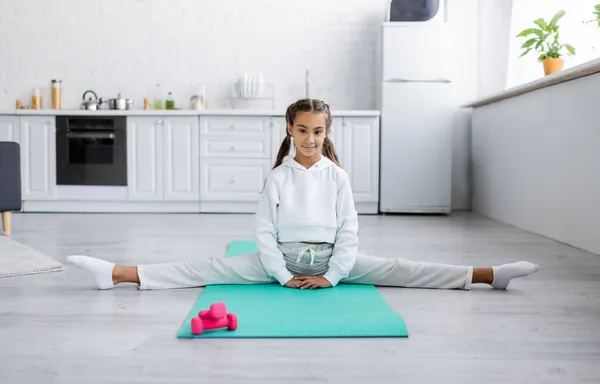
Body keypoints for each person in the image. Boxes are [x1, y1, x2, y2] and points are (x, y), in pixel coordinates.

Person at [67, 98, 539, 291]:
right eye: (302, 130)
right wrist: (278, 273)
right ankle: (115, 273)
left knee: (401, 269)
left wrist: (333, 276)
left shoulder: (337, 176)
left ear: (326, 132)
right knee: (206, 268)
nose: (310, 138)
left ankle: (488, 274)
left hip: (332, 260)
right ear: (290, 130)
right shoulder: (278, 177)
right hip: (284, 261)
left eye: (317, 131)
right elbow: (263, 231)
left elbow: (350, 231)